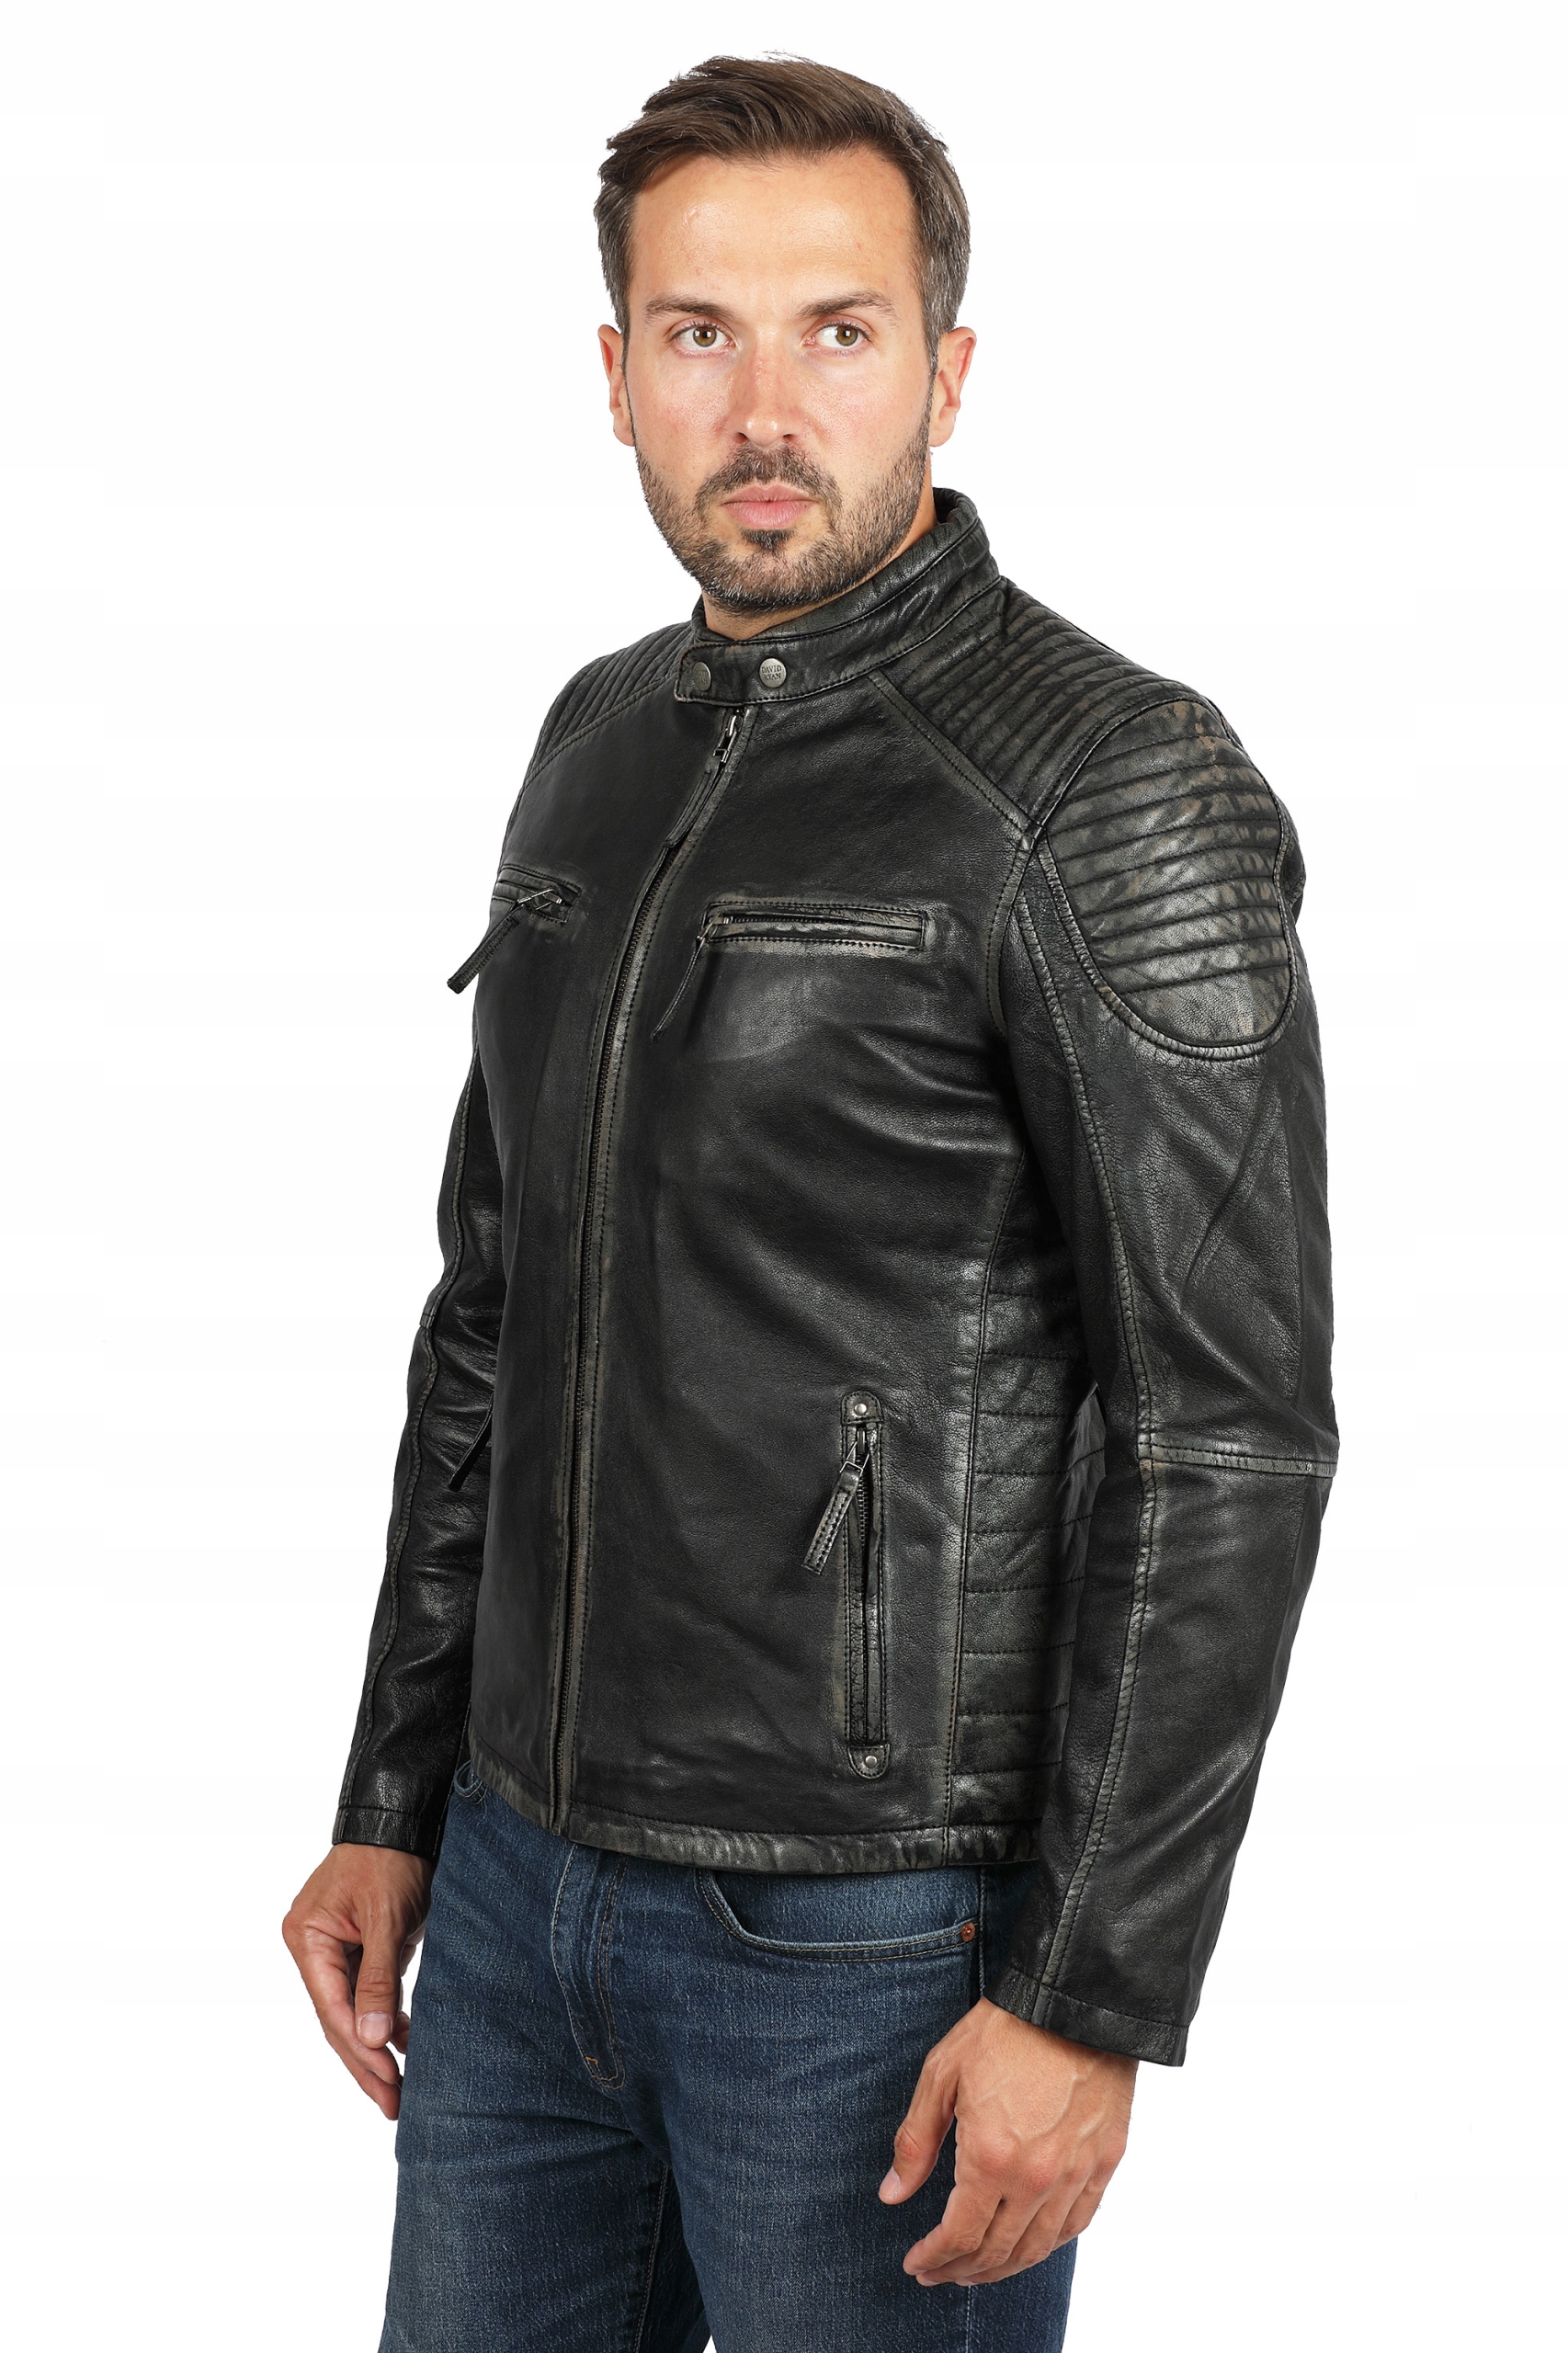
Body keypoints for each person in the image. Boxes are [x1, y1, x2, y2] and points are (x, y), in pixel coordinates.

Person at [283, 53, 1336, 2353]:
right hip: (518, 1893)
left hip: (874, 1945)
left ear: (945, 368)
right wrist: (399, 1790)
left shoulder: (1111, 784)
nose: (763, 408)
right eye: (699, 333)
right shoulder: (594, 736)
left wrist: (1088, 1992)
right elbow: (493, 1307)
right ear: (615, 374)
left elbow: (1226, 1430)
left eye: (836, 330)